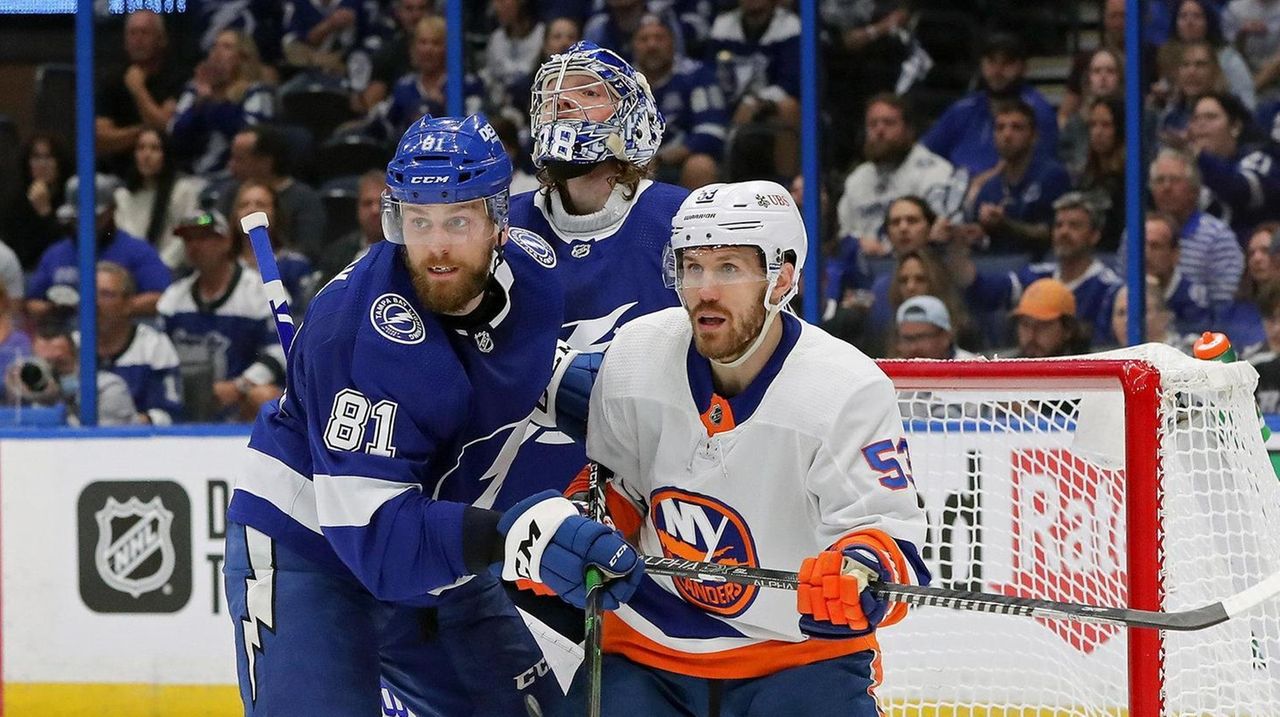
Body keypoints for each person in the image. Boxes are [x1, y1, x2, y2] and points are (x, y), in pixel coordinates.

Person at [223, 112, 642, 716]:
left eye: (458, 220)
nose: (437, 246)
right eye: (418, 221)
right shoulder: (359, 336)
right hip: (310, 553)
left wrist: (600, 404)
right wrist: (514, 535)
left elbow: (521, 366)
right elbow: (381, 541)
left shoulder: (535, 273)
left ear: (500, 222)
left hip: (438, 553)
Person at [559, 179, 930, 715]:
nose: (704, 290)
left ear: (781, 278)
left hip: (799, 657)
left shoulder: (844, 388)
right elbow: (615, 492)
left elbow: (889, 540)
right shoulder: (637, 354)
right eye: (692, 267)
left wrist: (858, 572)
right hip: (651, 646)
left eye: (729, 268)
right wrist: (576, 529)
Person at [506, 39, 688, 500]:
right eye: (553, 96)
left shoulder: (683, 220)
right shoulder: (502, 226)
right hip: (521, 487)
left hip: (654, 483)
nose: (563, 102)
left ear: (634, 118)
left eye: (587, 94)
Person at [157, 211, 284, 422]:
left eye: (203, 238)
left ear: (225, 242)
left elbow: (281, 351)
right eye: (188, 239)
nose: (195, 246)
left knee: (265, 396)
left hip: (241, 401)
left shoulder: (259, 291)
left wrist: (240, 385)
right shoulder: (173, 299)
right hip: (187, 399)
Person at [958, 192, 1123, 343]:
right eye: (1058, 225)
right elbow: (982, 289)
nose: (1064, 232)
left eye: (1074, 226)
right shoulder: (1036, 275)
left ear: (1094, 235)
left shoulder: (1109, 288)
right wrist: (957, 245)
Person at [26, 175, 172, 324]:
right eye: (77, 218)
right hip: (66, 334)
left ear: (111, 210)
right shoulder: (55, 254)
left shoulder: (137, 251)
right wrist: (53, 309)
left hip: (120, 334)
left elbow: (161, 297)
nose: (84, 224)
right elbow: (32, 303)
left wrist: (113, 307)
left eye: (94, 218)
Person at [921, 32, 1059, 176]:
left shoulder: (1037, 112)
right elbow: (926, 152)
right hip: (952, 187)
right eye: (991, 62)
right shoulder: (963, 108)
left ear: (1023, 68)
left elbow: (1040, 167)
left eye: (1007, 63)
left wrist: (989, 183)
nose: (997, 71)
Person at [836, 94, 955, 258]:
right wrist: (858, 243)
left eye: (889, 123)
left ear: (909, 130)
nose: (879, 130)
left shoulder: (934, 171)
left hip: (919, 267)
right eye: (873, 124)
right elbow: (844, 234)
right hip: (866, 272)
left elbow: (939, 231)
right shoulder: (857, 179)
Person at [960, 98, 1072, 256]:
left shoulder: (1052, 176)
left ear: (1034, 136)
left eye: (1016, 128)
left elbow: (1052, 232)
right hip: (997, 268)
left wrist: (1006, 224)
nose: (1007, 135)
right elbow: (982, 237)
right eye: (1000, 128)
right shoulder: (989, 188)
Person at [633, 15, 728, 189]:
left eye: (659, 38)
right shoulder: (623, 82)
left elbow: (712, 132)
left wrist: (661, 158)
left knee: (701, 166)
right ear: (634, 47)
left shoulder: (696, 75)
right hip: (634, 164)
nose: (651, 45)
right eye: (644, 39)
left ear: (673, 44)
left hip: (678, 163)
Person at [1148, 148, 1244, 318]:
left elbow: (1224, 306)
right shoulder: (1135, 233)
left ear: (1195, 190)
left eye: (1175, 180)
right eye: (1160, 180)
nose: (1166, 187)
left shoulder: (1218, 237)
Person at [212, 125, 326, 263]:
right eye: (243, 205)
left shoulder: (304, 198)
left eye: (239, 159)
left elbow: (308, 251)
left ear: (265, 162)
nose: (231, 165)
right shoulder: (230, 193)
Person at [169, 28, 275, 174]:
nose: (217, 53)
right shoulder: (196, 88)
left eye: (227, 47)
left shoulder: (256, 91)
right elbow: (174, 134)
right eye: (215, 46)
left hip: (235, 175)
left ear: (242, 57)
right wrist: (198, 105)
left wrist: (216, 103)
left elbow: (251, 139)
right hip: (191, 174)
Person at [94, 261, 184, 425]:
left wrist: (131, 423)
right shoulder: (73, 345)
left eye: (106, 295)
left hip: (141, 444)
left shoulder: (154, 346)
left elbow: (171, 414)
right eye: (90, 294)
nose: (96, 303)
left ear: (128, 304)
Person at [1189, 91, 1280, 237]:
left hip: (1250, 253)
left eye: (1211, 117)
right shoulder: (1188, 167)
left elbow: (1240, 189)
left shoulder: (1259, 158)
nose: (1201, 124)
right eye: (1195, 118)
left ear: (1235, 126)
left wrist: (1200, 156)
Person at [113, 127, 206, 269]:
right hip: (130, 271)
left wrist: (158, 267)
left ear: (166, 154)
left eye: (155, 149)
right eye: (141, 148)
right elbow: (123, 238)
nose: (146, 155)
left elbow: (185, 237)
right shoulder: (122, 196)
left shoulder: (183, 191)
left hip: (172, 269)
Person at [229, 180, 318, 317]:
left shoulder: (296, 266)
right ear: (234, 215)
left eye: (261, 204)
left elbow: (304, 315)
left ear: (276, 213)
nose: (252, 210)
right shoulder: (223, 266)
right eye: (244, 205)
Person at [4, 132, 72, 271]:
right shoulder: (16, 201)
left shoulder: (70, 197)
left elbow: (69, 246)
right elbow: (18, 253)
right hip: (28, 271)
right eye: (36, 158)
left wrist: (46, 213)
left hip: (64, 268)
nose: (42, 164)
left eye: (48, 157)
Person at [1145, 212, 1213, 335]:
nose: (1146, 254)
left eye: (1155, 246)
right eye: (1141, 246)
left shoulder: (1194, 299)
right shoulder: (1123, 295)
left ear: (1175, 254)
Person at [316, 170, 385, 286]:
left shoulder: (409, 252)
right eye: (367, 203)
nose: (375, 210)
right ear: (357, 208)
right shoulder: (337, 253)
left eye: (382, 203)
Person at [1011, 277, 1091, 357]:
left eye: (1043, 325)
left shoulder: (1090, 366)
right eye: (1026, 324)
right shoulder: (1007, 366)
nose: (1032, 334)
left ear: (1068, 330)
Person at [894, 294, 978, 359]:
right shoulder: (889, 373)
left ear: (945, 337)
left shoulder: (974, 371)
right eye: (907, 339)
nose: (913, 348)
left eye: (921, 337)